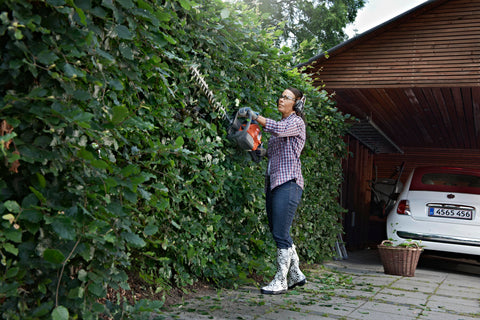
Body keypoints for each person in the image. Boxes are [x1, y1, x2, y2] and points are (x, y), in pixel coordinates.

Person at [238, 87, 307, 295]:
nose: (281, 99)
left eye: (286, 97)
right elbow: (277, 151)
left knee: (279, 233)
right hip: (274, 182)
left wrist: (255, 117)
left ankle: (281, 280)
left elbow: (277, 128)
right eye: (281, 96)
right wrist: (261, 152)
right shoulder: (282, 126)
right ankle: (295, 273)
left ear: (296, 103)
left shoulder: (296, 122)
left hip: (289, 183)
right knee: (279, 230)